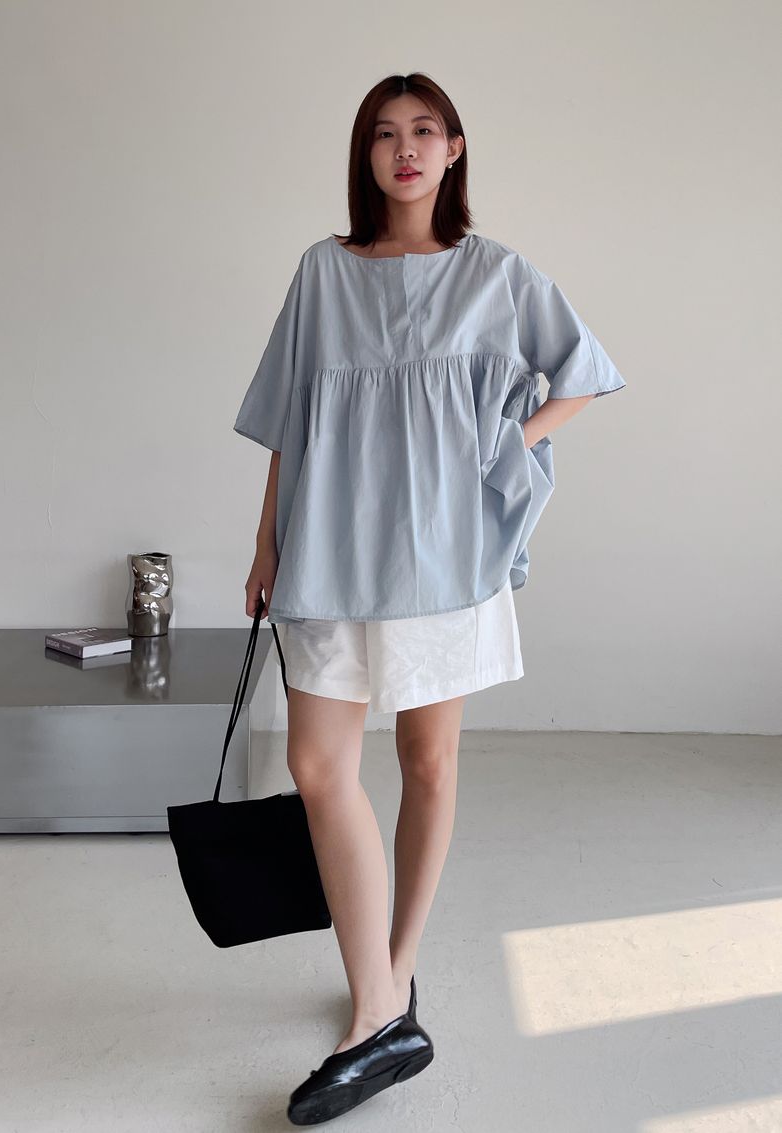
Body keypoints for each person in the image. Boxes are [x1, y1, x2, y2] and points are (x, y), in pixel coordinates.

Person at [233, 72, 627, 1125]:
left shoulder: (496, 274)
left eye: (423, 130)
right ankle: (380, 1009)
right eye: (382, 133)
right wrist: (265, 541)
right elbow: (289, 419)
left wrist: (507, 445)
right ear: (364, 155)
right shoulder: (323, 271)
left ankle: (387, 986)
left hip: (444, 556)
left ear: (455, 148)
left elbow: (581, 372)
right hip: (327, 548)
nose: (403, 148)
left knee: (426, 761)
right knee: (319, 765)